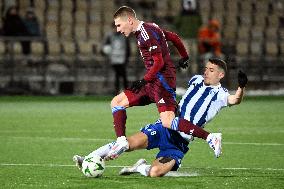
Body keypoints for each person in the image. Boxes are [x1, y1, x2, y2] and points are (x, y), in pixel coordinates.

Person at [73, 58, 248, 177]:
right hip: (165, 127)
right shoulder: (195, 80)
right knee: (127, 144)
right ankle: (88, 158)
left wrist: (241, 86)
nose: (206, 72)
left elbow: (236, 100)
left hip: (180, 142)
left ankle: (139, 167)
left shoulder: (221, 95)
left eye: (211, 70)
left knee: (155, 173)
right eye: (206, 69)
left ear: (221, 75)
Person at [107, 5, 199, 159]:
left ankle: (206, 136)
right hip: (152, 81)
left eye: (119, 25)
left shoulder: (146, 33)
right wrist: (184, 56)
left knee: (168, 122)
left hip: (162, 83)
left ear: (129, 20)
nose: (117, 30)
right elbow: (174, 37)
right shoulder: (150, 28)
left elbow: (159, 62)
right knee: (117, 102)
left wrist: (144, 80)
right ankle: (122, 141)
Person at [102, 24, 130, 95]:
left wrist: (127, 58)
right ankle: (117, 92)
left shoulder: (124, 36)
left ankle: (126, 92)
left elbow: (128, 48)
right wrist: (105, 52)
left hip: (122, 59)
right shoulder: (109, 36)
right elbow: (105, 47)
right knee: (117, 75)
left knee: (123, 75)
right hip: (114, 59)